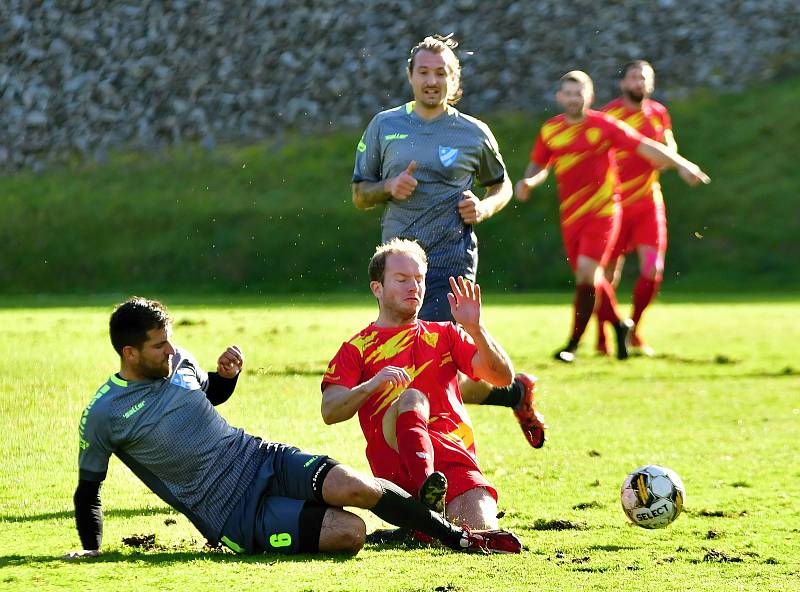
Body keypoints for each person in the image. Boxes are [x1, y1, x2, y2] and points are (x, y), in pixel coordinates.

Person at [65, 297, 522, 559]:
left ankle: (457, 537)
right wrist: (93, 548)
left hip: (259, 456)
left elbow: (206, 397)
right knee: (350, 535)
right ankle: (405, 526)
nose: (171, 350)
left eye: (169, 341)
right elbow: (89, 492)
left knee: (355, 485)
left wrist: (225, 378)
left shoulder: (178, 360)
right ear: (129, 353)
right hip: (231, 511)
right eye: (158, 345)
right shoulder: (104, 414)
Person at [351, 33, 543, 448]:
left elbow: (502, 185)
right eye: (424, 72)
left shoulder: (474, 133)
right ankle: (514, 392)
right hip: (397, 268)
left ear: (454, 80)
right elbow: (359, 194)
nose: (431, 80)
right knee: (431, 372)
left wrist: (485, 207)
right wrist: (388, 186)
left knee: (431, 371)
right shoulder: (385, 125)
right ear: (410, 76)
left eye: (441, 73)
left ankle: (429, 462)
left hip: (450, 264)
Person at [321, 239, 540, 533]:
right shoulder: (357, 348)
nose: (414, 287)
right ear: (377, 288)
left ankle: (425, 524)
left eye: (419, 279)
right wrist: (373, 384)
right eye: (401, 279)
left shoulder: (446, 334)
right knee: (412, 398)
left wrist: (476, 329)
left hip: (454, 458)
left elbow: (502, 378)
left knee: (481, 535)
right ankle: (426, 490)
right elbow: (330, 411)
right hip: (397, 466)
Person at [515, 70, 709, 363]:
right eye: (567, 93)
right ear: (559, 97)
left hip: (604, 212)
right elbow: (539, 165)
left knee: (587, 273)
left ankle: (573, 343)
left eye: (578, 93)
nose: (572, 99)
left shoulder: (604, 125)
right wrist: (528, 182)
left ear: (590, 96)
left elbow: (647, 146)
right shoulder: (550, 130)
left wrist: (683, 165)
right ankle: (619, 325)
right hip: (571, 216)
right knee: (590, 280)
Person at [594, 60, 675, 357]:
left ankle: (633, 330)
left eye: (644, 78)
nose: (638, 83)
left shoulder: (658, 114)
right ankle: (603, 333)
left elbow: (669, 149)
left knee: (653, 269)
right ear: (623, 83)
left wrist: (667, 157)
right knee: (606, 276)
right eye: (633, 77)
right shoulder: (609, 115)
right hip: (613, 206)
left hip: (648, 204)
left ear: (650, 84)